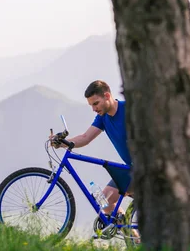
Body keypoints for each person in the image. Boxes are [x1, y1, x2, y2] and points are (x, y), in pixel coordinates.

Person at [50, 80, 132, 216]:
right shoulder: (103, 118)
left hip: (146, 168)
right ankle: (134, 237)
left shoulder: (128, 109)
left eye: (95, 103)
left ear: (107, 96)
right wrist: (62, 143)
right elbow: (85, 137)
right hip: (130, 169)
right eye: (91, 105)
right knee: (102, 202)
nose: (94, 109)